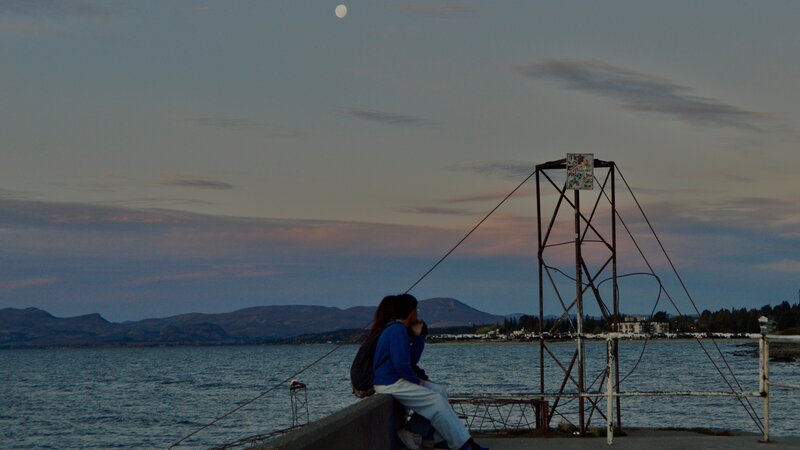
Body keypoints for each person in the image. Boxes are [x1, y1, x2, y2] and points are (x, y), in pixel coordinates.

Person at [371, 294, 489, 450]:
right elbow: (401, 365)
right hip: (390, 382)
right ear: (411, 312)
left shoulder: (397, 329)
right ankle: (463, 444)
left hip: (393, 380)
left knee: (440, 391)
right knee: (436, 401)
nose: (418, 314)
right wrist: (416, 381)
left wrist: (418, 337)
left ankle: (437, 440)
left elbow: (410, 361)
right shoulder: (396, 330)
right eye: (416, 310)